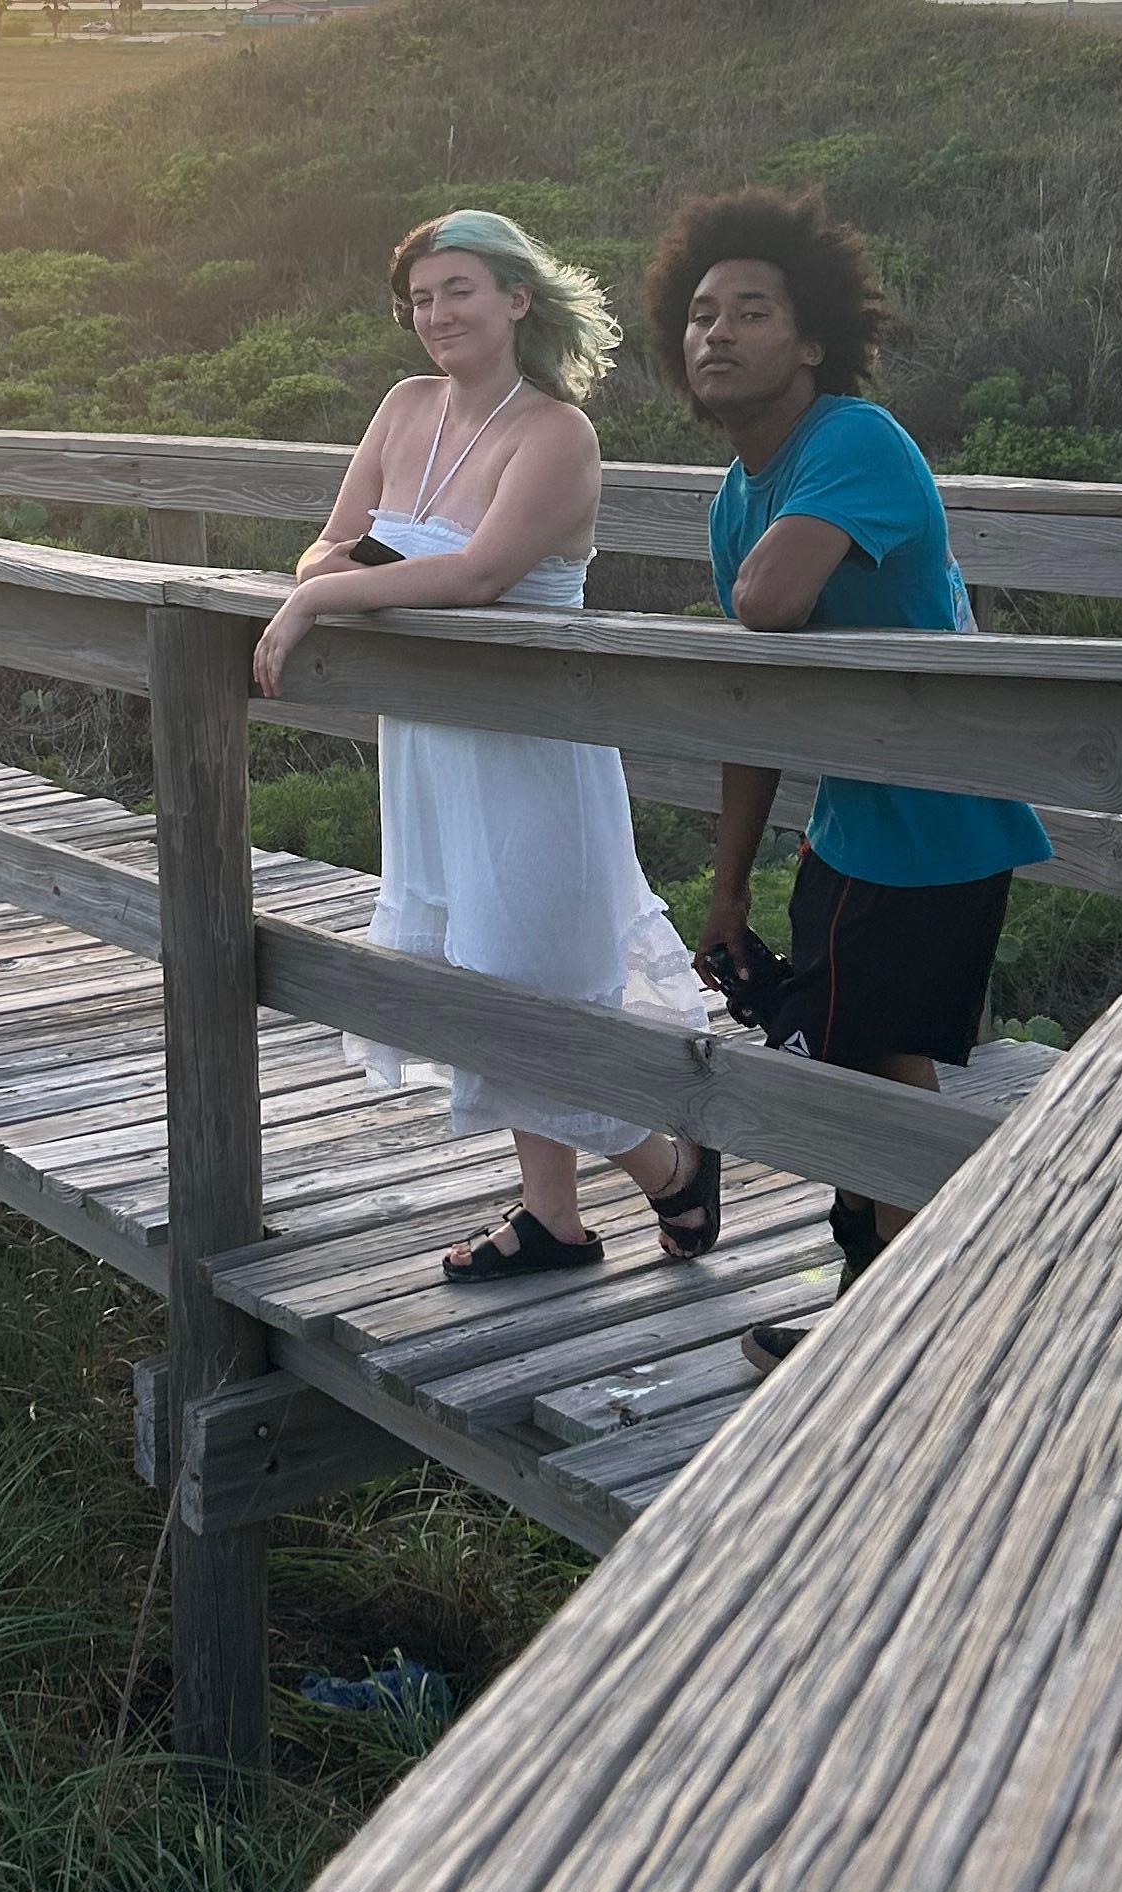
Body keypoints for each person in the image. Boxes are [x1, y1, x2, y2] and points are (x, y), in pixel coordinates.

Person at [250, 210, 719, 1280]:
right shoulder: (403, 407)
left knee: (534, 976)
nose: (436, 314)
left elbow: (479, 574)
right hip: (429, 744)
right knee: (476, 969)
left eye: (458, 289)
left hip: (529, 746)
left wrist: (320, 599)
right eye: (420, 298)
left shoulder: (555, 435)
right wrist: (325, 574)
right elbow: (329, 540)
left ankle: (669, 1166)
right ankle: (554, 1219)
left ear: (516, 297)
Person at [642, 187, 1052, 1370]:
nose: (718, 334)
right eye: (701, 315)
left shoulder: (855, 441)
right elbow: (754, 698)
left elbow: (770, 604)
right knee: (867, 1060)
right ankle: (889, 1311)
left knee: (865, 1068)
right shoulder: (736, 495)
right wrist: (728, 889)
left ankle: (911, 1315)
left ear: (811, 339)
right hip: (857, 821)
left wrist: (752, 581)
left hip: (937, 816)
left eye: (751, 313)